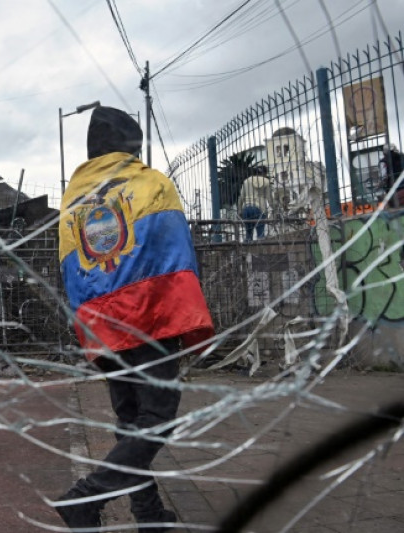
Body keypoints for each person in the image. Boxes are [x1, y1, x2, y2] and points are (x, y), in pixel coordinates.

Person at [55, 106, 214, 531]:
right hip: (150, 317)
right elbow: (174, 251)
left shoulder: (74, 200)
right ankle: (86, 496)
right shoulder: (152, 184)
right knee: (157, 418)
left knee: (131, 421)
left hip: (102, 324)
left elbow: (72, 266)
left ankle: (147, 514)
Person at [238, 173, 272, 241]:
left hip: (246, 208)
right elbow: (269, 198)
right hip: (260, 209)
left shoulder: (246, 181)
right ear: (264, 173)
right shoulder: (266, 181)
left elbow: (241, 197)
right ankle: (261, 250)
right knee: (260, 234)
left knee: (249, 234)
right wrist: (274, 207)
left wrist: (239, 211)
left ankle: (247, 250)